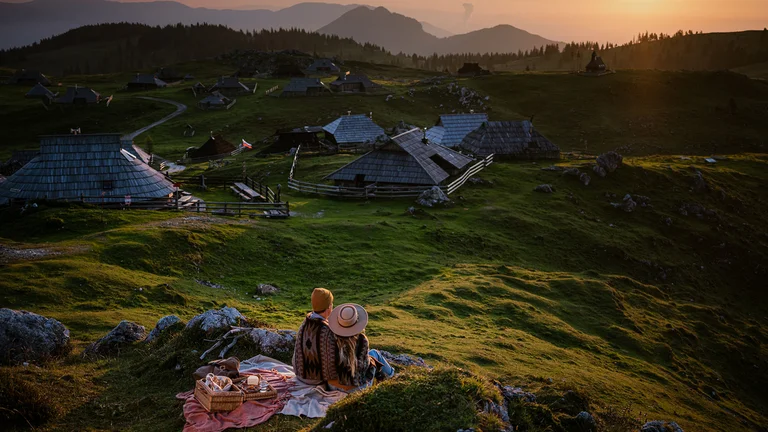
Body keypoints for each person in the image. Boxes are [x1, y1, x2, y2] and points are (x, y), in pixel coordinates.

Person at [326, 303, 395, 392]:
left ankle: (389, 376)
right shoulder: (362, 340)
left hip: (332, 386)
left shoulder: (330, 338)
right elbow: (363, 368)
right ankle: (392, 377)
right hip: (356, 389)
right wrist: (371, 361)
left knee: (372, 356)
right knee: (374, 354)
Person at [292, 288, 339, 385]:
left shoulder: (305, 323)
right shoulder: (327, 330)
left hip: (300, 375)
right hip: (318, 380)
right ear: (329, 307)